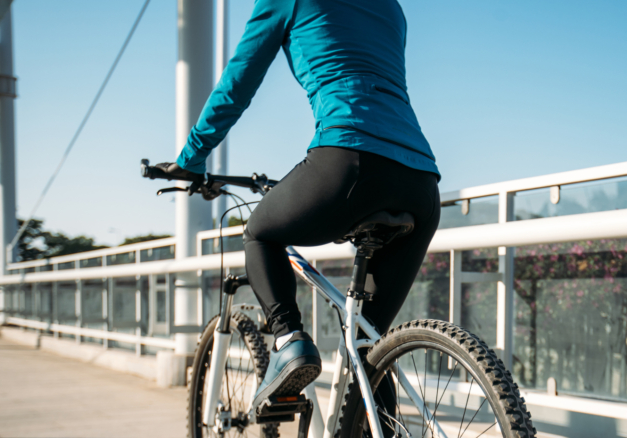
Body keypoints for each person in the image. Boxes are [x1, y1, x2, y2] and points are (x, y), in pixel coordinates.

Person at [157, 0, 441, 408]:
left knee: (258, 233)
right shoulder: (391, 7)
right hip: (420, 182)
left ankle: (289, 341)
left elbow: (237, 84)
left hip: (347, 160)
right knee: (368, 342)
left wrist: (191, 160)